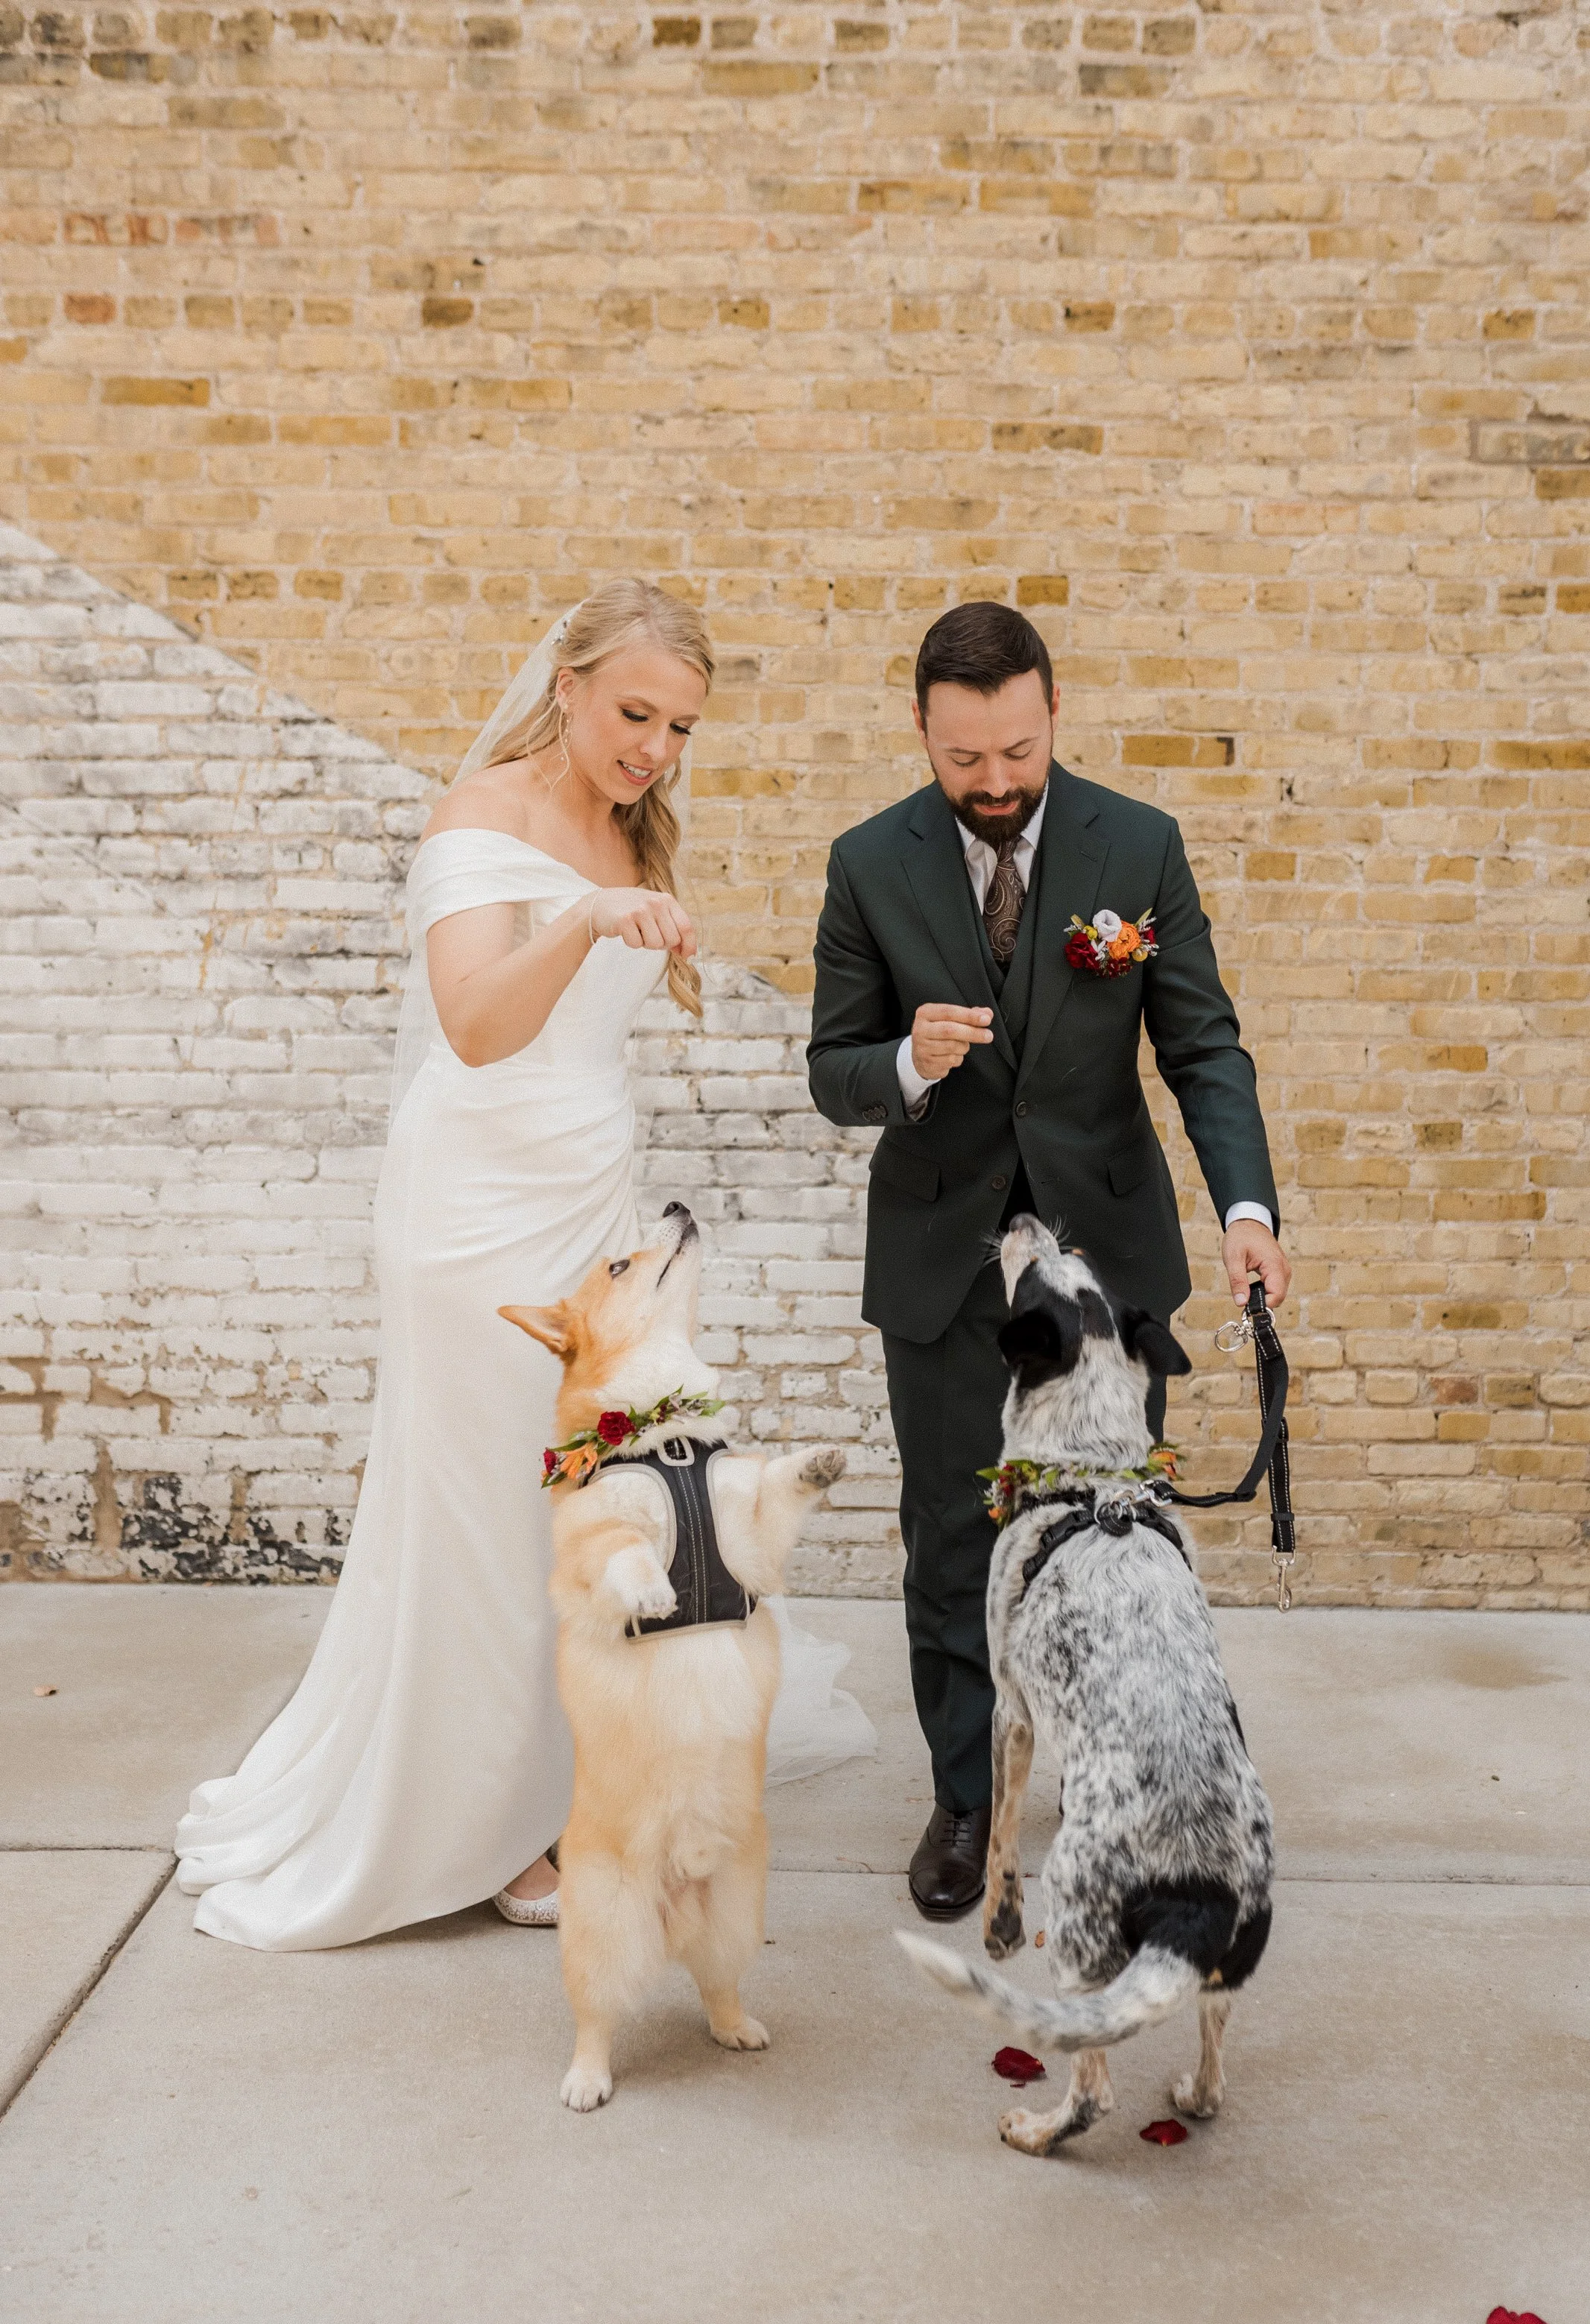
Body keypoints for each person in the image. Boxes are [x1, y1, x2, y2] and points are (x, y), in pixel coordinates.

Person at [175, 579, 872, 1951]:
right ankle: (463, 1821)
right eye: (634, 713)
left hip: (586, 1201)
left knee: (582, 1512)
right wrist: (584, 920)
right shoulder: (479, 818)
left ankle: (562, 1801)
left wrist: (623, 904)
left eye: (678, 726)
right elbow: (479, 1028)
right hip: (469, 1220)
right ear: (566, 686)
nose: (655, 748)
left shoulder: (628, 825)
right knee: (480, 1521)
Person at [807, 601, 1287, 1924]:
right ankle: (970, 1801)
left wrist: (1247, 1206)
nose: (998, 782)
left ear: (1051, 714)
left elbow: (1203, 1046)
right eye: (967, 761)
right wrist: (908, 1061)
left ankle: (1110, 1788)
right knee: (953, 1538)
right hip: (944, 1266)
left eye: (1016, 750)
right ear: (922, 730)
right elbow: (831, 1070)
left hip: (1112, 1276)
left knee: (1110, 1547)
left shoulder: (1139, 846)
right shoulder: (867, 865)